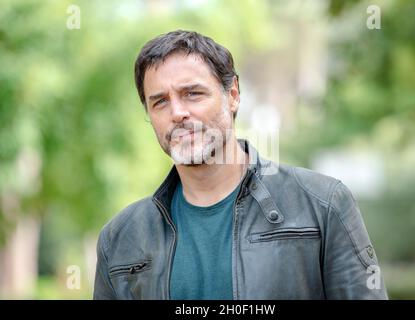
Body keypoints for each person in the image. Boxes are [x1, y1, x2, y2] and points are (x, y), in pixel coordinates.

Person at [93, 30, 388, 300]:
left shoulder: (323, 205)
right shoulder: (120, 239)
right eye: (160, 102)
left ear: (232, 95)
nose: (177, 112)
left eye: (192, 93)